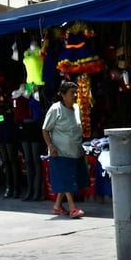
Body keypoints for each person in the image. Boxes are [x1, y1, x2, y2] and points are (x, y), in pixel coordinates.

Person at [42, 80, 88, 218]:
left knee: (67, 179)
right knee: (67, 180)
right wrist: (50, 146)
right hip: (60, 152)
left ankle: (57, 206)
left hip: (75, 151)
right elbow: (45, 129)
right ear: (63, 95)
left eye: (76, 93)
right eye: (72, 93)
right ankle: (72, 207)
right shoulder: (56, 109)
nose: (75, 96)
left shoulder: (76, 108)